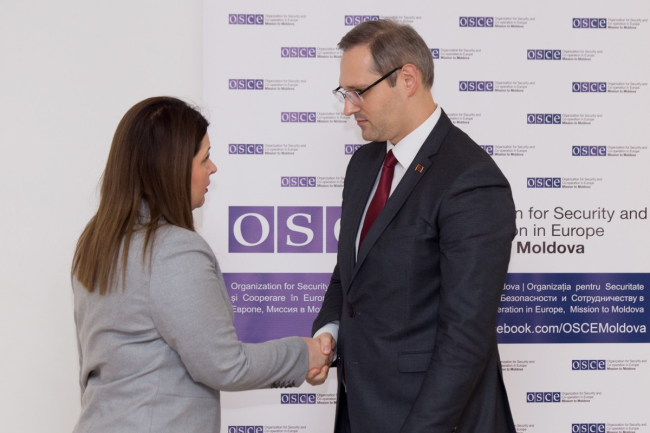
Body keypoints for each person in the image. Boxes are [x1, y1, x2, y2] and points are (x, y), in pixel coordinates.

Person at [71, 97, 330, 433]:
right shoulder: (173, 250)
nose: (213, 168)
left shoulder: (96, 243)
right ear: (171, 168)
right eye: (204, 158)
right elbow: (225, 365)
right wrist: (304, 353)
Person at [308, 20, 517, 432]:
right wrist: (328, 331)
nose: (348, 108)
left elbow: (465, 338)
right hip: (361, 411)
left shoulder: (470, 178)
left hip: (432, 420)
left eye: (359, 92)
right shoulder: (364, 164)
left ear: (407, 79)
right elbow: (350, 271)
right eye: (344, 94)